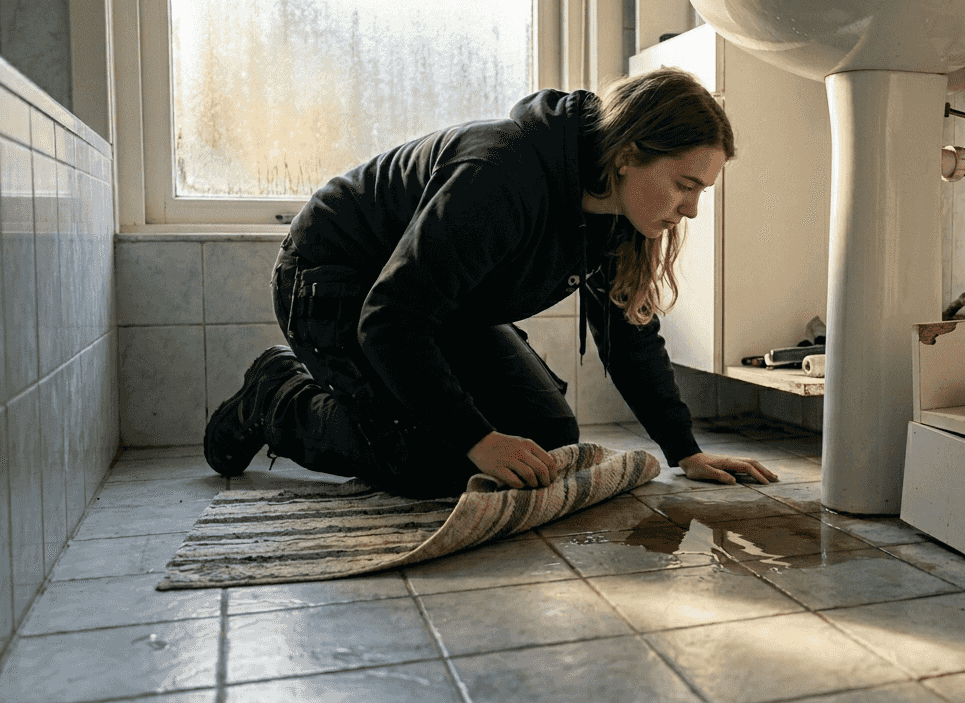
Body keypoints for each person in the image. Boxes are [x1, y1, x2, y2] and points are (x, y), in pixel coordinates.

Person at [203, 67, 779, 498]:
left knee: (547, 442)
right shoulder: (501, 177)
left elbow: (629, 334)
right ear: (629, 154)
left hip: (437, 304)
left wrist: (685, 450)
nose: (693, 209)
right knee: (441, 457)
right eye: (686, 184)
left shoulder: (617, 214)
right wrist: (476, 439)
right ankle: (277, 394)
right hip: (335, 279)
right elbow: (390, 319)